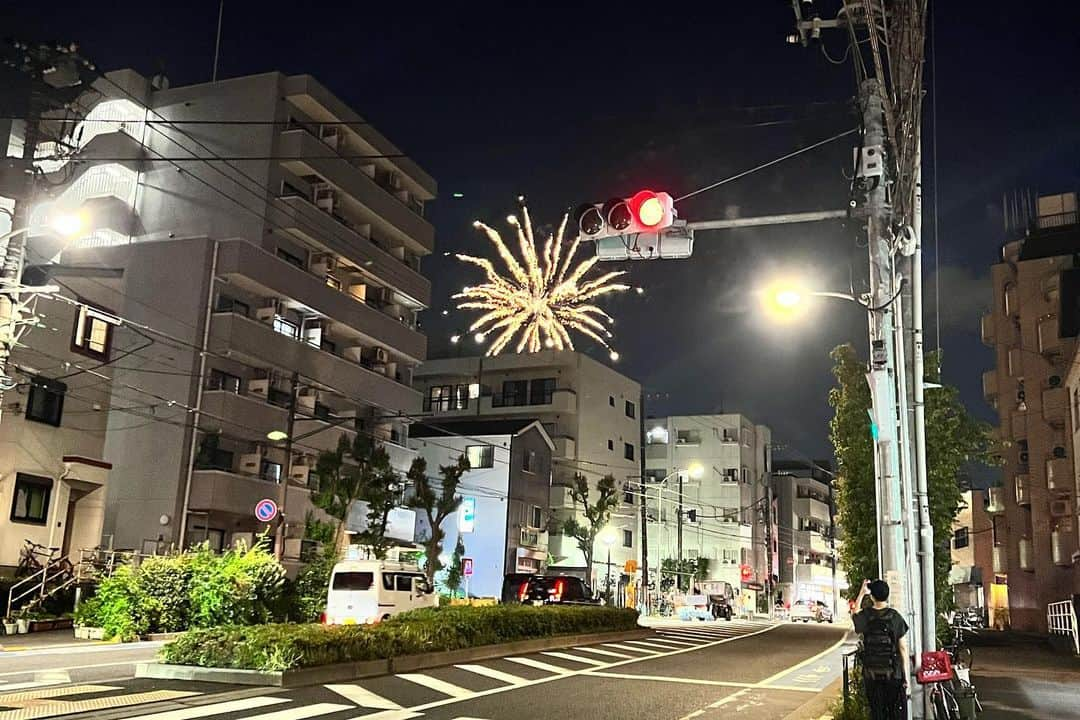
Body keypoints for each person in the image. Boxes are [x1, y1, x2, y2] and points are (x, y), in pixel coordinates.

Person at [852, 579, 911, 720]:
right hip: (893, 673)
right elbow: (903, 648)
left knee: (876, 711)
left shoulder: (866, 615)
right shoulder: (895, 617)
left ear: (872, 596)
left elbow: (854, 614)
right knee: (892, 711)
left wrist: (861, 593)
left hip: (870, 673)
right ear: (887, 595)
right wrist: (906, 677)